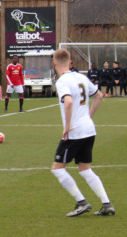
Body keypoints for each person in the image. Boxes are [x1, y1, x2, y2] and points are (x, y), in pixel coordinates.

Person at [51, 49, 115, 217]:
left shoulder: (62, 81)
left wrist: (67, 126)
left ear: (54, 63)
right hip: (89, 129)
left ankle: (82, 202)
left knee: (57, 169)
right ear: (70, 61)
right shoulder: (81, 77)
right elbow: (99, 96)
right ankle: (107, 205)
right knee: (85, 169)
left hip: (75, 132)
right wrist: (88, 116)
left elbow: (69, 102)